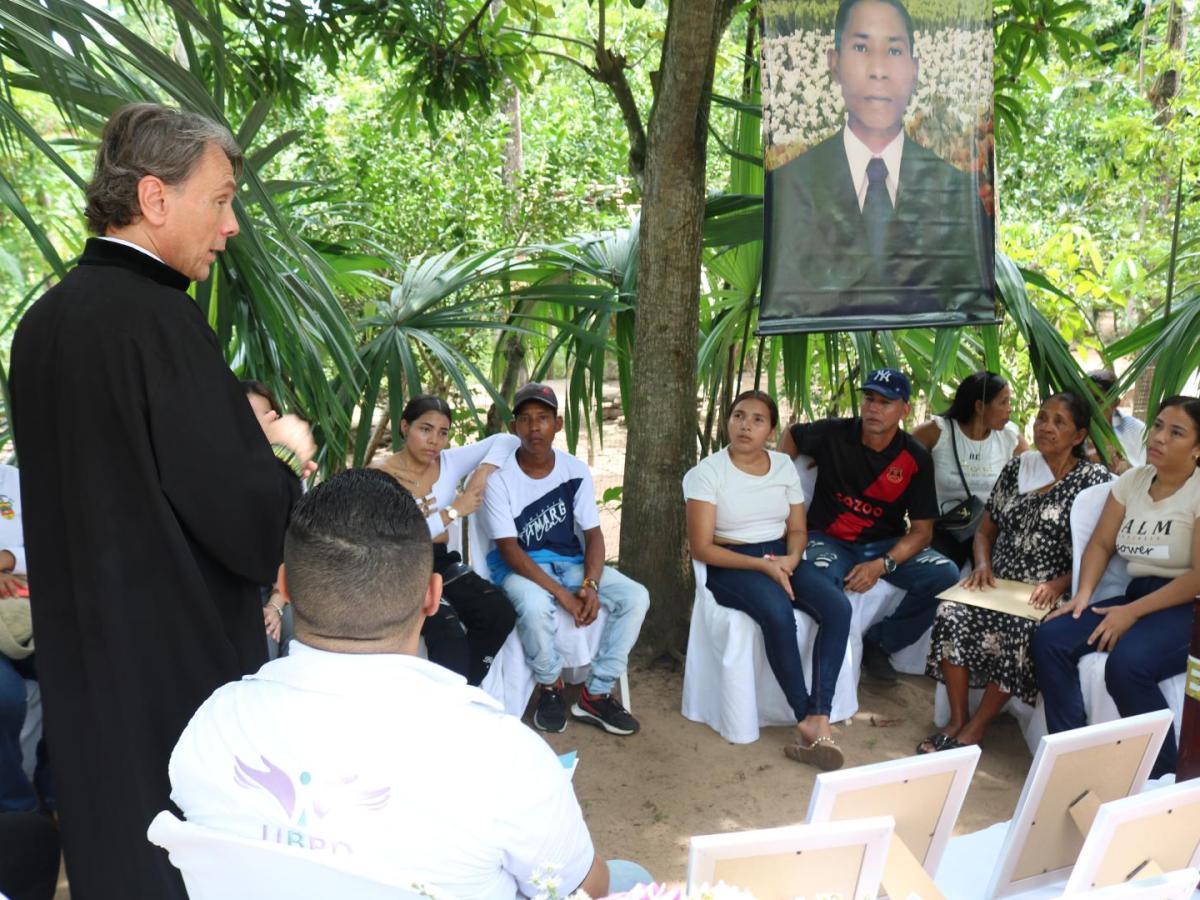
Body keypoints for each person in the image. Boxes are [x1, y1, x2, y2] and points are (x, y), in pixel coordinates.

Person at [8, 103, 315, 899]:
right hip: (176, 672)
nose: (232, 225)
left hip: (79, 660)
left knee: (113, 846)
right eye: (219, 199)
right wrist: (287, 451)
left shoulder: (38, 328)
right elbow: (248, 520)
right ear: (155, 199)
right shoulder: (161, 325)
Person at [170, 469, 651, 897]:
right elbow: (587, 888)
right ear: (432, 597)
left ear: (287, 586)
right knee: (628, 876)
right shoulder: (503, 754)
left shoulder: (213, 721)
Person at [762, 0, 994, 323]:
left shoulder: (957, 193)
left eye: (894, 51)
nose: (878, 70)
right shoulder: (789, 184)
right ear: (834, 62)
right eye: (861, 47)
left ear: (915, 69)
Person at [921, 392, 1110, 753]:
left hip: (1049, 588)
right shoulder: (1017, 468)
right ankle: (958, 718)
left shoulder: (1094, 480)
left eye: (1059, 422)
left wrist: (1059, 584)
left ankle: (978, 726)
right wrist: (981, 565)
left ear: (1080, 435)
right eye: (1041, 418)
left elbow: (1102, 550)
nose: (1045, 427)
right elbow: (984, 532)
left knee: (1024, 627)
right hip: (998, 582)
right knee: (951, 612)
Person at [1033, 396, 1200, 778]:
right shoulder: (1133, 481)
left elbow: (1197, 577)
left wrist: (1131, 613)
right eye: (1157, 426)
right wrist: (1083, 595)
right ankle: (1072, 757)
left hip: (1187, 607)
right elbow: (1102, 544)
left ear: (1197, 448)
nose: (1158, 437)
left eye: (1176, 433)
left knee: (1127, 666)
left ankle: (1167, 778)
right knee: (1051, 639)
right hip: (1138, 594)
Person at [685, 391, 847, 769]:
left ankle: (820, 713)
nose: (746, 425)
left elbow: (797, 529)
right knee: (777, 613)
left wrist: (789, 560)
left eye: (758, 419)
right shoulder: (707, 472)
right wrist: (763, 567)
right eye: (739, 416)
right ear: (728, 421)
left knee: (837, 608)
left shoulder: (782, 467)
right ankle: (804, 716)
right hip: (731, 562)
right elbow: (701, 548)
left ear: (772, 430)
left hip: (781, 554)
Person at [481, 383, 649, 735]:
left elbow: (593, 535)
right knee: (534, 606)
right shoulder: (499, 479)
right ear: (515, 428)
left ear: (557, 425)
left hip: (570, 562)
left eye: (542, 418)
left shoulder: (574, 470)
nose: (534, 427)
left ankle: (596, 692)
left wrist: (590, 585)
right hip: (521, 567)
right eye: (525, 419)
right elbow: (510, 550)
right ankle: (550, 687)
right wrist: (564, 596)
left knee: (636, 597)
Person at [779, 368, 960, 683]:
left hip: (882, 545)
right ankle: (811, 667)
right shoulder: (835, 433)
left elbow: (922, 532)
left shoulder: (915, 457)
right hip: (827, 538)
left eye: (886, 402)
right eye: (870, 399)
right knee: (822, 583)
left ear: (904, 410)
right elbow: (792, 434)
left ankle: (881, 643)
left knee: (946, 575)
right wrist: (778, 480)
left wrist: (883, 564)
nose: (874, 408)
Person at [374, 395, 519, 685]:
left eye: (443, 433)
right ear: (405, 427)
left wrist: (481, 473)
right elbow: (397, 536)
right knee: (447, 630)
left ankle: (466, 690)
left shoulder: (448, 462)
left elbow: (507, 440)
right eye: (425, 429)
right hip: (400, 569)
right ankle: (454, 700)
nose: (434, 441)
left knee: (498, 612)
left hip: (441, 561)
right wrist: (454, 509)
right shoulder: (381, 476)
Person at [912, 371, 1028, 567]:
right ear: (980, 406)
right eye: (1003, 402)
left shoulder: (1009, 438)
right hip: (941, 535)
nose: (1010, 409)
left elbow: (1036, 478)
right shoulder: (938, 432)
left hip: (990, 535)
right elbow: (899, 465)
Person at [1086, 368, 1147, 473]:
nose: (1090, 406)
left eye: (1098, 401)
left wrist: (1122, 465)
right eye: (1086, 399)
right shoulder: (1073, 427)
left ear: (1115, 403)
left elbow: (1148, 470)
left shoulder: (1136, 430)